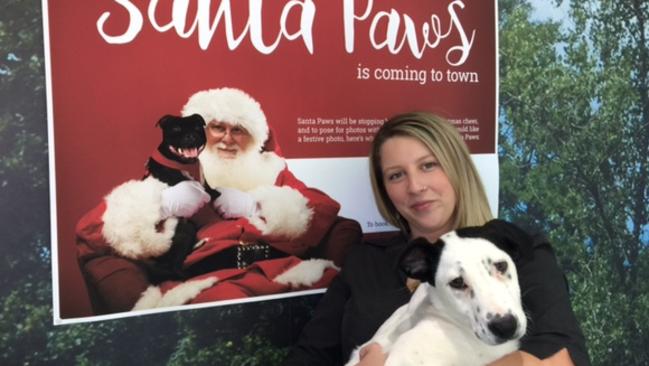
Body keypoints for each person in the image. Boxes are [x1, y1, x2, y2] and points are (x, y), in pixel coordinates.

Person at [285, 112, 590, 365]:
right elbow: (309, 357)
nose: (415, 186)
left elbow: (562, 355)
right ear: (385, 191)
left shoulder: (515, 249)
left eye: (428, 165)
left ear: (457, 167)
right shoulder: (364, 262)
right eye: (396, 175)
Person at [75, 87, 360, 314]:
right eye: (217, 128)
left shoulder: (271, 172)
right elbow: (90, 234)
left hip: (285, 271)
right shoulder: (168, 178)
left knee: (342, 297)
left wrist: (255, 205)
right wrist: (162, 205)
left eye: (238, 130)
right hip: (212, 284)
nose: (227, 139)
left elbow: (324, 209)